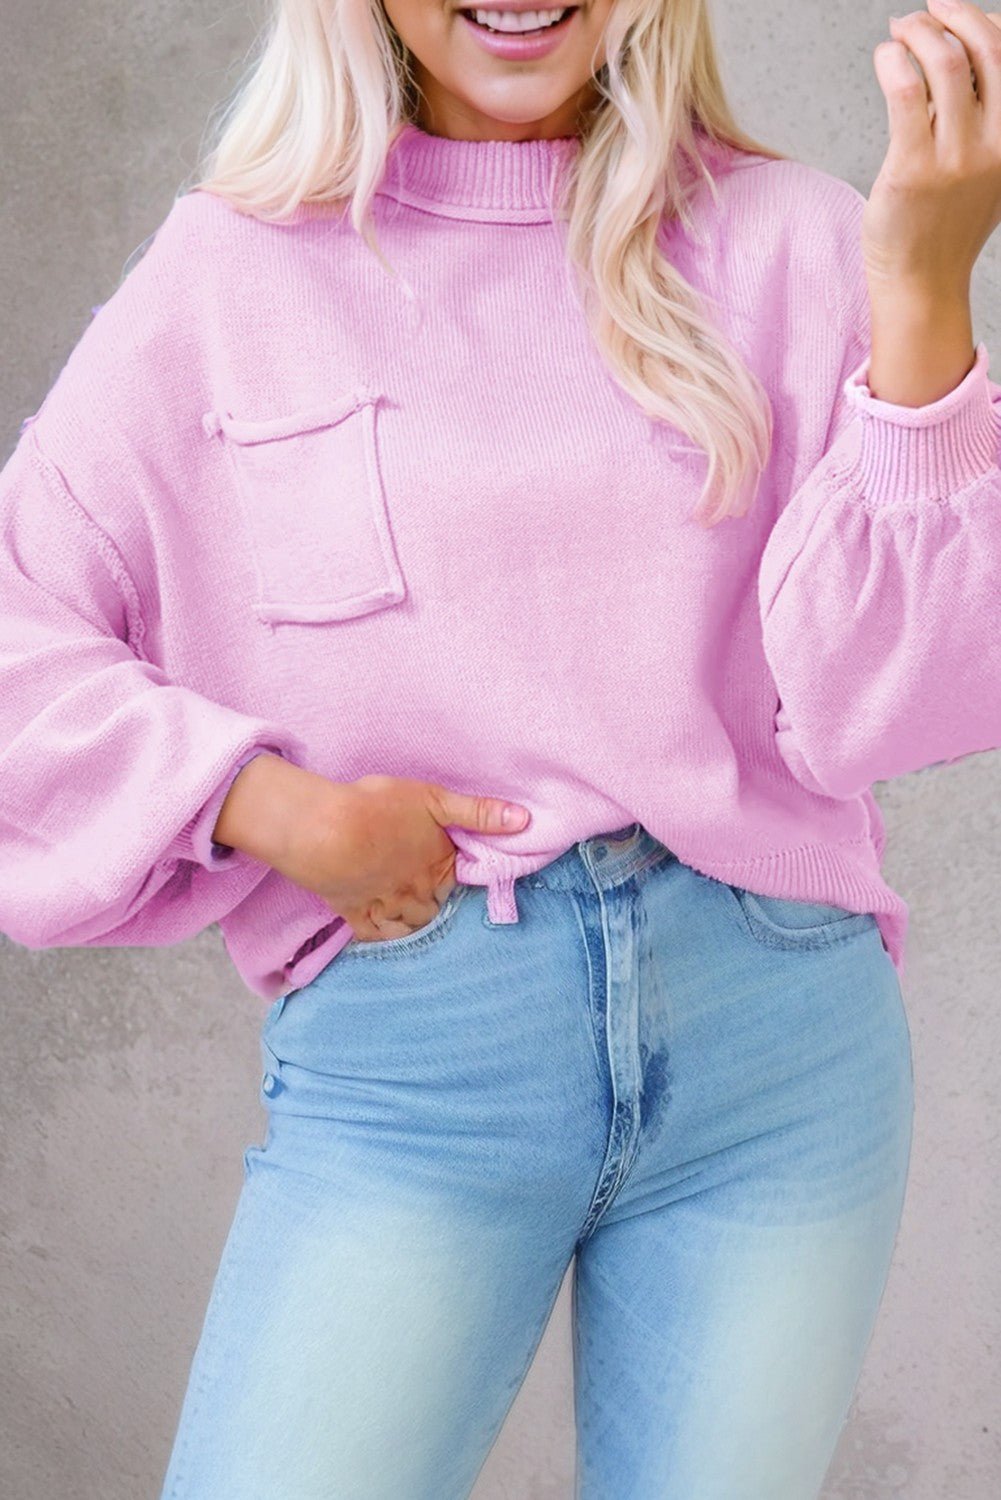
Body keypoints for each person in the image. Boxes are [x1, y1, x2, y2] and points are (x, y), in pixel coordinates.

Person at [1, 1, 999, 1496]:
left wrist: (923, 283)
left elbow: (902, 709)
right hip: (422, 1058)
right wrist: (272, 808)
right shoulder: (233, 271)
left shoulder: (793, 238)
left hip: (781, 1046)